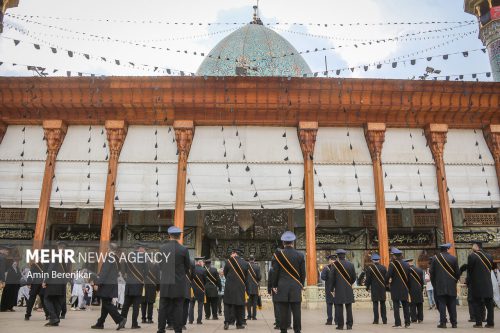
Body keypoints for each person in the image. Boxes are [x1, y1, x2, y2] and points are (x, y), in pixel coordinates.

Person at [157, 226, 191, 333]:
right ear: (180, 236)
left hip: (166, 282)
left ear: (169, 235)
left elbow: (160, 266)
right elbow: (187, 267)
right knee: (178, 307)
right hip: (178, 283)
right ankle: (178, 330)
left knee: (163, 306)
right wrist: (180, 275)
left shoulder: (162, 248)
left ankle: (161, 329)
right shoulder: (184, 249)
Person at [271, 231, 305, 333]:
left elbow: (275, 272)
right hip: (295, 286)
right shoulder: (300, 255)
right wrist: (301, 284)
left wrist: (274, 285)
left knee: (283, 311)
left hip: (282, 286)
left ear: (283, 243)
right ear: (293, 242)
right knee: (296, 311)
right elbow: (303, 273)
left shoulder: (278, 255)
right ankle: (297, 330)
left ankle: (283, 330)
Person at [91, 243, 126, 330]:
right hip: (112, 284)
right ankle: (100, 323)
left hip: (107, 285)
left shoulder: (109, 258)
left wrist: (97, 283)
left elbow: (104, 272)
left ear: (109, 249)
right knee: (105, 305)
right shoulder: (116, 258)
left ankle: (120, 319)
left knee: (107, 304)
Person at [430, 243, 460, 329]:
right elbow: (457, 273)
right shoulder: (453, 258)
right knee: (452, 305)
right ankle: (454, 323)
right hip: (451, 285)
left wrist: (434, 284)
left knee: (442, 304)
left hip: (439, 286)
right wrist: (454, 281)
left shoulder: (435, 258)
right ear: (448, 249)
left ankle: (443, 323)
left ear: (440, 249)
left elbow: (432, 273)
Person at [467, 240, 494, 328]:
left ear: (476, 246)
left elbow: (470, 271)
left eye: (472, 245)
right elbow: (490, 269)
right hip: (488, 284)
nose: (472, 247)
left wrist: (468, 282)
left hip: (477, 285)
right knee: (489, 305)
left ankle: (479, 323)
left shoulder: (472, 256)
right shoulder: (489, 256)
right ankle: (490, 323)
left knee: (477, 304)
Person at [327, 249, 356, 330]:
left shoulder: (334, 265)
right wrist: (349, 284)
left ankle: (340, 325)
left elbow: (331, 278)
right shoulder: (351, 264)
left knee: (339, 307)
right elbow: (354, 277)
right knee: (349, 307)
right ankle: (349, 325)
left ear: (338, 256)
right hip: (348, 288)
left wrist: (331, 289)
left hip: (339, 289)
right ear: (344, 255)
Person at [120, 243, 146, 329]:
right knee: (136, 306)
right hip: (138, 285)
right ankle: (134, 324)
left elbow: (123, 271)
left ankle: (122, 322)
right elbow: (147, 270)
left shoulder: (127, 256)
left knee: (125, 305)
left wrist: (127, 280)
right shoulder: (143, 257)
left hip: (129, 285)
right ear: (140, 248)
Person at [42, 242, 68, 327]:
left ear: (58, 248)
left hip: (53, 282)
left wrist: (45, 281)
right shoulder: (65, 258)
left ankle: (53, 318)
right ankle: (56, 320)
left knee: (47, 299)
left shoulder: (55, 256)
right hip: (62, 283)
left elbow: (51, 269)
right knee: (57, 301)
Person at [223, 248, 249, 330]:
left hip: (229, 286)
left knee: (227, 304)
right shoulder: (245, 263)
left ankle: (227, 322)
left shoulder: (228, 261)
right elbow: (246, 277)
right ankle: (239, 324)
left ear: (234, 253)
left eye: (232, 253)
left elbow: (225, 273)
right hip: (240, 287)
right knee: (240, 306)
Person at [385, 247, 411, 328]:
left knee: (396, 306)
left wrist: (386, 283)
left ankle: (398, 323)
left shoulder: (392, 264)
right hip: (405, 287)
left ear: (395, 256)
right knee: (406, 305)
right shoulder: (407, 264)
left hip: (395, 288)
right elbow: (409, 277)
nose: (392, 257)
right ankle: (407, 322)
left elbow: (388, 275)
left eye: (393, 255)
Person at [365, 253, 387, 325]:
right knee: (383, 304)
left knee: (375, 304)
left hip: (374, 289)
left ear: (372, 260)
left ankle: (376, 320)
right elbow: (386, 279)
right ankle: (384, 320)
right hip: (382, 288)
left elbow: (368, 280)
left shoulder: (370, 268)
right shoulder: (384, 268)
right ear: (379, 260)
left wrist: (367, 287)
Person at [405, 258, 424, 323]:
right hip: (419, 289)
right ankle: (420, 318)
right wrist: (421, 289)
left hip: (411, 289)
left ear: (407, 263)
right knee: (419, 304)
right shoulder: (419, 269)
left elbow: (406, 282)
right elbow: (422, 281)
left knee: (412, 305)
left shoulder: (407, 271)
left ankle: (414, 318)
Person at [189, 256, 206, 324]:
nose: (203, 263)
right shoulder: (203, 270)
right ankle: (199, 320)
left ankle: (190, 320)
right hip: (200, 290)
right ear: (200, 262)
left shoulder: (191, 269)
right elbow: (205, 281)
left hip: (192, 289)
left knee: (191, 305)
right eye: (202, 262)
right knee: (200, 305)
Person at [320, 254, 336, 325]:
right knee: (337, 305)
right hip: (336, 289)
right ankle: (337, 321)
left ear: (329, 260)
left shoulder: (326, 268)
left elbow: (323, 277)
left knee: (329, 305)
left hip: (329, 289)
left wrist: (328, 279)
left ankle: (329, 320)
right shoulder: (339, 267)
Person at [246, 255, 261, 320]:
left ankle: (249, 316)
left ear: (249, 259)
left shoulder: (246, 266)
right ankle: (254, 316)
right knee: (255, 303)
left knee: (248, 303)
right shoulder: (257, 267)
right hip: (255, 287)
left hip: (248, 287)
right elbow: (259, 277)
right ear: (254, 259)